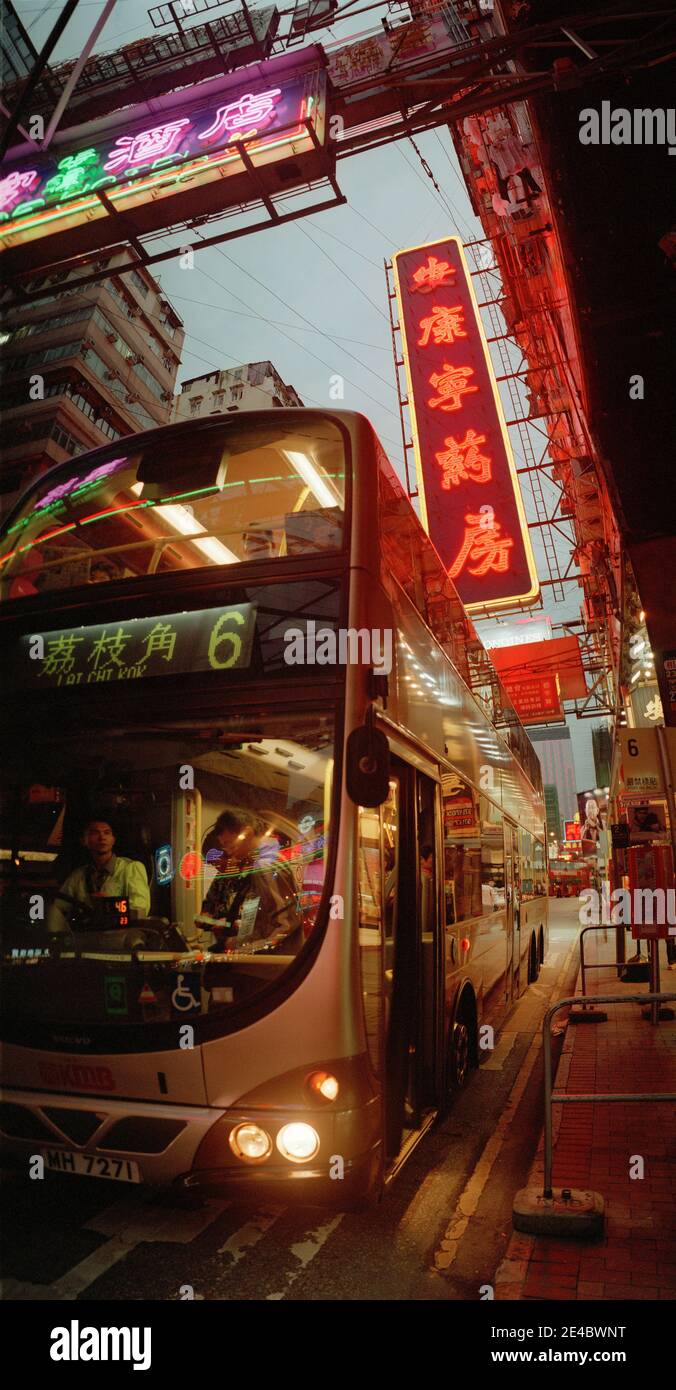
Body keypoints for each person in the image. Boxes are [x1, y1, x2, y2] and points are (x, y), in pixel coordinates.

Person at [195, 809, 301, 952]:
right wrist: (235, 943)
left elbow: (285, 925)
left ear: (248, 833)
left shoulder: (265, 866)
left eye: (229, 844)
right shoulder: (259, 864)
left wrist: (244, 949)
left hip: (269, 964)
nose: (229, 851)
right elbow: (262, 923)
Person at [48, 816, 151, 931]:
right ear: (85, 841)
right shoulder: (78, 876)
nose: (102, 837)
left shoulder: (131, 868)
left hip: (121, 940)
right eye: (95, 833)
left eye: (107, 833)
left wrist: (110, 904)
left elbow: (140, 910)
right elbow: (58, 909)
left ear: (113, 840)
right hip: (87, 939)